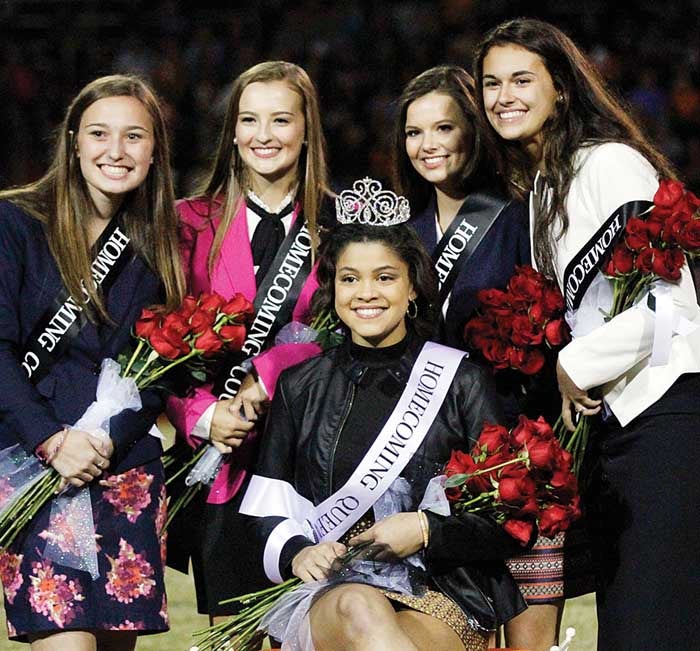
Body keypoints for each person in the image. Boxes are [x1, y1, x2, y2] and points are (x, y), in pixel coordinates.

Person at [475, 18, 700, 650]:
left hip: (667, 420)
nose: (503, 96)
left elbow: (672, 303)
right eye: (491, 83)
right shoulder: (547, 184)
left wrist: (576, 365)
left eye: (523, 79)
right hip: (618, 434)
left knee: (655, 627)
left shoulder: (609, 162)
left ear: (562, 90)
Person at [241, 178, 528, 651]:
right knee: (359, 605)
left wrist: (425, 530)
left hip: (441, 590)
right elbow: (266, 509)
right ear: (332, 289)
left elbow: (508, 516)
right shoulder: (300, 387)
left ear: (412, 287)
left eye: (385, 277)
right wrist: (298, 552)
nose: (365, 293)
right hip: (333, 592)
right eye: (350, 278)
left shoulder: (461, 381)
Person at [0, 75, 185, 650]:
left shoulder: (159, 242)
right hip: (35, 466)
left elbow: (160, 369)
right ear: (74, 140)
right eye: (100, 134)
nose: (116, 151)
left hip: (123, 469)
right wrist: (52, 442)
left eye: (135, 137)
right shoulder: (15, 222)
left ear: (154, 152)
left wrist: (101, 441)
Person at [392, 65, 566, 651]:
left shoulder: (521, 215)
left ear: (474, 130)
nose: (428, 145)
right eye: (414, 133)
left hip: (512, 461)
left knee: (527, 641)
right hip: (427, 467)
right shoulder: (403, 237)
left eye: (444, 127)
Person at [165, 60, 332, 620]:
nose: (264, 136)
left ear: (307, 128)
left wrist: (274, 368)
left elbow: (360, 331)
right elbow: (154, 341)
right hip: (224, 457)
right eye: (250, 120)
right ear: (232, 130)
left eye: (281, 120)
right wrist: (202, 416)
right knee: (231, 630)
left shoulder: (339, 224)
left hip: (313, 457)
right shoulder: (185, 223)